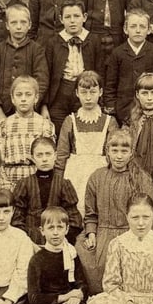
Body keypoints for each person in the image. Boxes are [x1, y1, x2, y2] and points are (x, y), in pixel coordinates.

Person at [78, 128, 153, 293]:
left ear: (131, 153)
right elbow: (90, 214)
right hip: (103, 233)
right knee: (87, 253)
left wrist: (140, 235)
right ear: (107, 151)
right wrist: (91, 234)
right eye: (114, 150)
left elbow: (150, 214)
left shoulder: (141, 178)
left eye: (124, 151)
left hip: (132, 233)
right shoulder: (97, 177)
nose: (119, 156)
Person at [21, 206, 88, 304]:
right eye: (51, 228)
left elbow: (81, 283)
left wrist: (77, 295)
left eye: (60, 227)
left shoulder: (71, 254)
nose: (56, 233)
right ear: (42, 230)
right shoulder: (37, 260)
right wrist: (66, 296)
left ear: (67, 229)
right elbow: (34, 297)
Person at [55, 70, 115, 215]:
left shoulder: (109, 122)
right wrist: (57, 186)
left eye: (93, 92)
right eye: (83, 92)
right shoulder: (70, 121)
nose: (88, 98)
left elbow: (113, 154)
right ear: (76, 93)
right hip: (75, 174)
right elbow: (61, 156)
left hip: (101, 174)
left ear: (100, 92)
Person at [44, 0, 105, 132]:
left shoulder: (94, 40)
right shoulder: (53, 43)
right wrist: (44, 105)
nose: (72, 21)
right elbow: (46, 74)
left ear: (84, 17)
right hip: (60, 93)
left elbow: (100, 71)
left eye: (76, 16)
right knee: (60, 130)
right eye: (67, 17)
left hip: (85, 91)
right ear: (61, 19)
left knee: (84, 128)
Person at [10, 136, 82, 246]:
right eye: (39, 155)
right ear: (32, 158)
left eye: (48, 154)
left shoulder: (64, 184)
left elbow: (74, 220)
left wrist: (61, 240)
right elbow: (16, 219)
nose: (44, 159)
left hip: (59, 241)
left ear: (55, 156)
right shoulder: (24, 184)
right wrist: (26, 242)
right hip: (29, 242)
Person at [0, 2, 49, 122]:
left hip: (30, 111)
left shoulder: (37, 50)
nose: (18, 27)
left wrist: (30, 106)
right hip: (2, 111)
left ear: (29, 25)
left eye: (23, 22)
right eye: (14, 22)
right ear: (7, 25)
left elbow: (42, 81)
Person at [104, 8, 153, 123]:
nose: (138, 30)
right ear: (125, 29)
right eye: (133, 26)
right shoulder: (118, 53)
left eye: (142, 27)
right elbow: (110, 85)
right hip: (123, 110)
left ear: (149, 30)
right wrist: (112, 108)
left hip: (150, 110)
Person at [0, 75, 55, 182]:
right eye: (19, 95)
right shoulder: (3, 125)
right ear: (12, 98)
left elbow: (48, 158)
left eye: (28, 95)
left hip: (36, 178)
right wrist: (5, 182)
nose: (23, 99)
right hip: (9, 178)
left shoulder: (45, 124)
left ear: (36, 98)